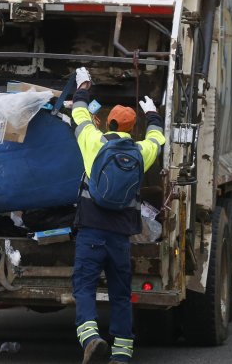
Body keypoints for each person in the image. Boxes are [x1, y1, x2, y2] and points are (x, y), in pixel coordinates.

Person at [70, 67, 166, 364]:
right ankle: (122, 356)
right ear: (131, 128)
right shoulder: (140, 151)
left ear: (108, 122)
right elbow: (158, 138)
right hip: (121, 237)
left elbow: (79, 114)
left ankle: (90, 337)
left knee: (84, 287)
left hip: (91, 231)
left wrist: (83, 87)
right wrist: (152, 114)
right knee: (121, 295)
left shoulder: (94, 142)